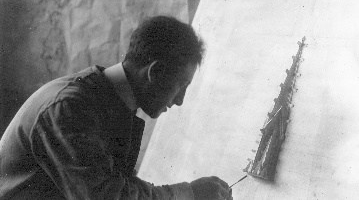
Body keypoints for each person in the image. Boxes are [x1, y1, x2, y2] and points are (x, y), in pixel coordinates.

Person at [0, 16, 232, 200]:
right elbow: (110, 196)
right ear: (155, 72)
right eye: (181, 85)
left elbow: (118, 184)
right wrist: (188, 194)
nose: (180, 100)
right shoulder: (69, 108)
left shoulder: (106, 99)